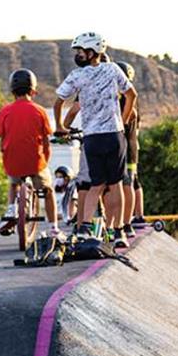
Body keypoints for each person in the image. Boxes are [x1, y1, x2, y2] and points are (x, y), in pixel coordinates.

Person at [53, 32, 137, 248]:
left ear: (92, 52)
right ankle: (118, 231)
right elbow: (131, 95)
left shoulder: (76, 76)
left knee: (96, 184)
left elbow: (58, 102)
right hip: (114, 135)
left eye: (81, 51)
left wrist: (60, 126)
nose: (78, 55)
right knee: (115, 183)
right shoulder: (113, 69)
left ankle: (84, 228)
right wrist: (124, 121)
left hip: (91, 138)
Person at [0, 69, 62, 239]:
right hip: (35, 162)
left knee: (13, 182)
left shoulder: (5, 111)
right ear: (33, 91)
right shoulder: (40, 111)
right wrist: (45, 160)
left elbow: (0, 138)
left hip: (13, 162)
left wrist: (6, 153)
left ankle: (11, 208)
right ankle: (53, 228)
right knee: (48, 191)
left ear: (12, 91)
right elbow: (46, 140)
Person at [114, 61, 144, 235]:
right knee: (133, 182)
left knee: (125, 184)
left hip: (125, 147)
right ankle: (135, 217)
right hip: (133, 147)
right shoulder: (134, 99)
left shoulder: (123, 99)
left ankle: (126, 222)